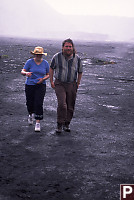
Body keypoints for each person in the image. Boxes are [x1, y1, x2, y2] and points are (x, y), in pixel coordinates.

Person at [49, 38, 83, 133]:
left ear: (73, 47)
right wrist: (51, 81)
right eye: (66, 46)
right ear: (63, 47)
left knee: (70, 105)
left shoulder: (77, 58)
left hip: (72, 84)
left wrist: (78, 83)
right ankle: (59, 124)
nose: (68, 48)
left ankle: (67, 123)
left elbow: (80, 71)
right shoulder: (57, 57)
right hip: (60, 83)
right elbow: (51, 68)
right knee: (62, 104)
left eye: (70, 46)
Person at [21, 46, 49, 132]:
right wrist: (26, 73)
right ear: (34, 54)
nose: (38, 56)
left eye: (40, 55)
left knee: (39, 103)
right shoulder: (29, 62)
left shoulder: (45, 63)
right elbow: (22, 71)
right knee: (29, 102)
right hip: (30, 85)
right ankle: (30, 114)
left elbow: (48, 74)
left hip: (41, 85)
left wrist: (43, 79)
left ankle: (38, 122)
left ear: (42, 55)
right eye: (37, 54)